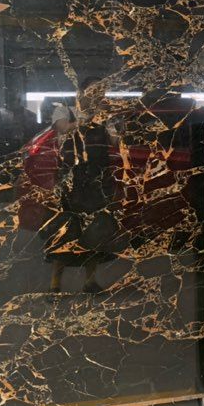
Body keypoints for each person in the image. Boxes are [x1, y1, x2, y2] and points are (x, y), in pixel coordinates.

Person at [46, 77, 122, 294]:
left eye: (100, 92)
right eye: (93, 91)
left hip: (96, 183)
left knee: (94, 232)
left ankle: (90, 282)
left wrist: (114, 123)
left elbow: (115, 141)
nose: (97, 95)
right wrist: (88, 116)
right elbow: (64, 129)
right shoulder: (65, 111)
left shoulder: (104, 117)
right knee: (66, 231)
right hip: (72, 183)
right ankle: (55, 285)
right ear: (81, 93)